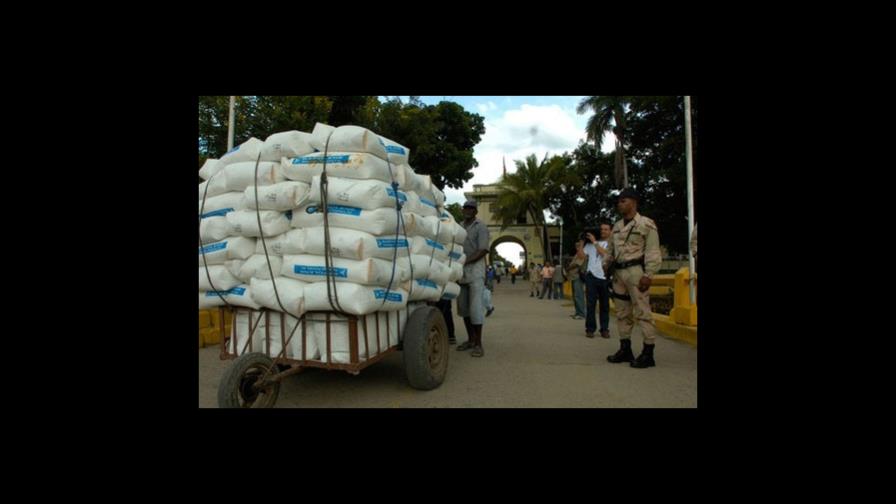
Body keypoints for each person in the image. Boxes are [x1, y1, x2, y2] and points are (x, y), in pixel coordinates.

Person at [603, 188, 662, 368]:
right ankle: (625, 348)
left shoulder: (646, 224)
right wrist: (606, 266)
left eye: (624, 200)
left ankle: (648, 352)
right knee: (622, 312)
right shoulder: (618, 226)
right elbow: (611, 251)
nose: (620, 203)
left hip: (636, 272)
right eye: (619, 201)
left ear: (634, 202)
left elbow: (653, 251)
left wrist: (648, 274)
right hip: (618, 274)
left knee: (642, 312)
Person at [456, 200, 491, 358]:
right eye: (466, 208)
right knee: (463, 308)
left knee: (475, 307)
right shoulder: (459, 226)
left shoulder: (481, 227)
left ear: (476, 211)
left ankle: (478, 344)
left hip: (475, 268)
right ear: (462, 210)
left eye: (471, 208)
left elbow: (483, 250)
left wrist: (466, 260)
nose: (468, 210)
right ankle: (470, 340)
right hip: (460, 269)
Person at [568, 240, 587, 320]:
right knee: (575, 296)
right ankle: (577, 312)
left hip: (578, 277)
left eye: (578, 246)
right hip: (573, 276)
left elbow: (577, 264)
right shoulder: (577, 254)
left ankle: (582, 314)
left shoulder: (582, 254)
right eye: (576, 246)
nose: (577, 247)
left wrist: (568, 267)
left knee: (578, 296)